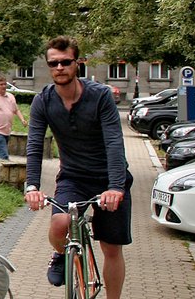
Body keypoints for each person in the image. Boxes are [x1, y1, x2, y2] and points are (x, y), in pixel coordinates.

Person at [23, 36, 131, 298]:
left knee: (111, 248)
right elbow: (35, 145)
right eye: (53, 63)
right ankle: (60, 255)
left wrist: (116, 187)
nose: (59, 68)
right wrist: (32, 185)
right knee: (60, 223)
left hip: (110, 179)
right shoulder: (43, 101)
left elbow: (114, 143)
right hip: (74, 177)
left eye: (65, 62)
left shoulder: (100, 96)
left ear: (77, 63)